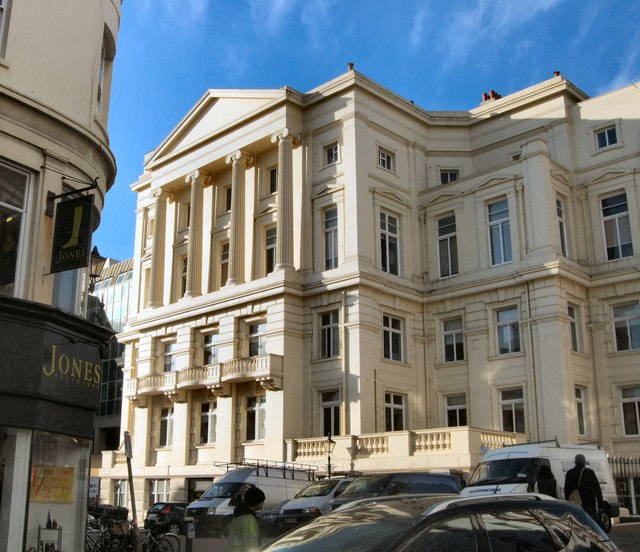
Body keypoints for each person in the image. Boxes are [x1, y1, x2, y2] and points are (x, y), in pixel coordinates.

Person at [564, 454, 603, 521]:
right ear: (584, 462)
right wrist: (600, 504)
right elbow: (597, 489)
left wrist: (568, 500)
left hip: (575, 503)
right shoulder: (589, 472)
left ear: (575, 462)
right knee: (590, 523)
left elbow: (566, 490)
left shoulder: (569, 473)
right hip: (588, 503)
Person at [227, 485, 265, 552]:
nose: (263, 503)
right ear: (256, 501)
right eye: (262, 501)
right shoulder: (248, 519)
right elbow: (250, 544)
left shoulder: (240, 514)